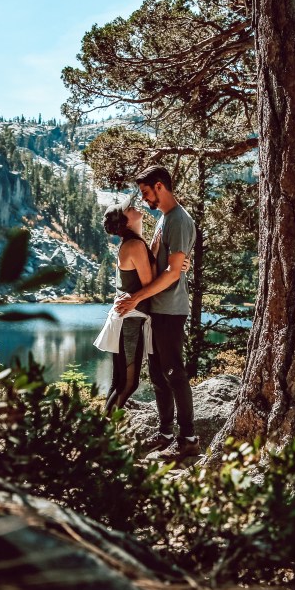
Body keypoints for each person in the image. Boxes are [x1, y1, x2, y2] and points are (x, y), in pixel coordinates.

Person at [114, 165, 199, 460]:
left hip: (170, 310)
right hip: (155, 311)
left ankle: (187, 438)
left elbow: (173, 273)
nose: (145, 199)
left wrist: (136, 298)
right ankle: (165, 434)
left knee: (175, 373)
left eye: (146, 192)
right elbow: (158, 264)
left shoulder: (179, 220)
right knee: (159, 376)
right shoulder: (164, 219)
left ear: (160, 186)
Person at [95, 197, 156, 414]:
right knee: (129, 383)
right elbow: (150, 283)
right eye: (128, 209)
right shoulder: (135, 245)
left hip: (124, 317)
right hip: (129, 319)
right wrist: (176, 269)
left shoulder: (132, 244)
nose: (133, 207)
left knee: (118, 380)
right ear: (125, 222)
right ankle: (104, 435)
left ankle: (101, 432)